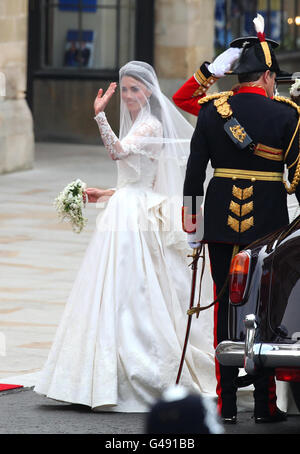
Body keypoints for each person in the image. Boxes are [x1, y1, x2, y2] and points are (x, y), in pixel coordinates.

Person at [34, 61, 217, 411]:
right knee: (112, 292)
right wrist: (104, 192)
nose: (130, 95)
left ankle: (135, 368)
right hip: (127, 207)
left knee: (135, 292)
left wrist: (99, 115)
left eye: (135, 89)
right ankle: (98, 371)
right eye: (126, 89)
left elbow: (118, 152)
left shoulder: (150, 124)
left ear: (148, 92)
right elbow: (134, 178)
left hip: (136, 218)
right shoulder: (137, 124)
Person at [181, 14, 300, 424]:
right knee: (266, 307)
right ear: (266, 77)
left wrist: (193, 223)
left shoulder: (212, 110)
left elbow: (194, 173)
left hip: (218, 223)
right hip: (267, 223)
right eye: (274, 78)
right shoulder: (287, 114)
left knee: (223, 307)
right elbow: (298, 177)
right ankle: (266, 407)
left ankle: (226, 404)